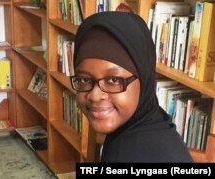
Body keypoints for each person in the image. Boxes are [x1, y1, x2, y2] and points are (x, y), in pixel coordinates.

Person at [70, 11, 193, 162]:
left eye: (114, 80)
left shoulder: (128, 155)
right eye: (83, 80)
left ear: (144, 79)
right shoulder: (151, 122)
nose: (95, 96)